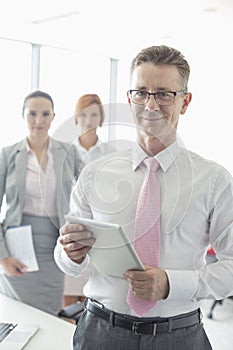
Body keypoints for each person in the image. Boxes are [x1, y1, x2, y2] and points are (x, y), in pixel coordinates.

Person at [54, 45, 233, 349]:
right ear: (129, 98)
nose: (151, 105)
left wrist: (170, 284)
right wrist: (70, 253)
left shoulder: (214, 180)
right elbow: (67, 260)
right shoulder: (95, 174)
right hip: (98, 333)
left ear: (185, 102)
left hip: (179, 337)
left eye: (164, 93)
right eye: (141, 92)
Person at [0, 90, 83, 316]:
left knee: (50, 313)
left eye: (45, 114)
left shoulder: (68, 152)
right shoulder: (8, 154)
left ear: (53, 116)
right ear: (23, 115)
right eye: (32, 114)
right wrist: (2, 257)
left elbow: (90, 184)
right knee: (17, 316)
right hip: (16, 246)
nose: (39, 121)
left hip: (54, 244)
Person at [64, 93, 116, 308]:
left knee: (92, 300)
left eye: (94, 114)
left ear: (101, 118)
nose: (88, 120)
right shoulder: (64, 152)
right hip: (69, 224)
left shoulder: (110, 153)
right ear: (76, 117)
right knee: (67, 299)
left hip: (97, 227)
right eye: (83, 114)